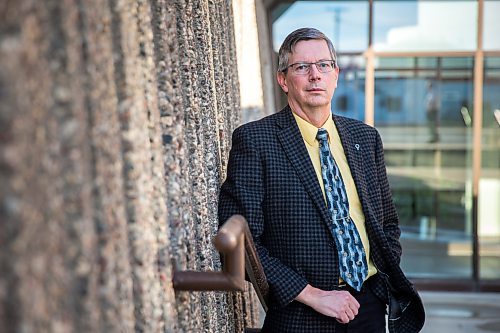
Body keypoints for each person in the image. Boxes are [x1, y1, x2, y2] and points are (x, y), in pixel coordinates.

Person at [218, 28, 425, 333]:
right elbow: (244, 245)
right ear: (283, 80)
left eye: (324, 65)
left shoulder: (365, 138)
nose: (315, 75)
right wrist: (313, 295)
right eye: (302, 67)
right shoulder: (256, 141)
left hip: (367, 308)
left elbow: (387, 225)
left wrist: (377, 285)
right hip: (300, 314)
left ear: (336, 74)